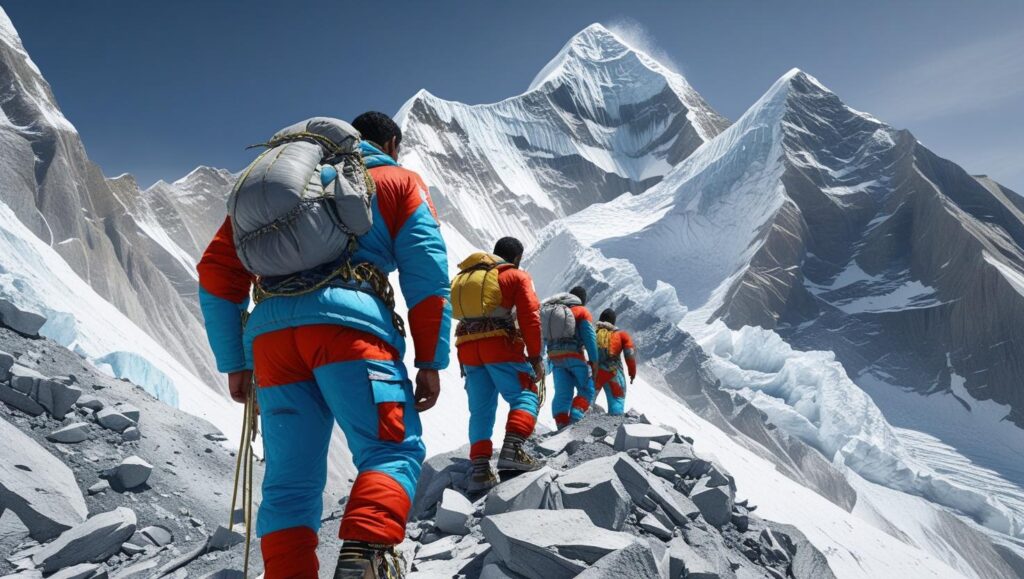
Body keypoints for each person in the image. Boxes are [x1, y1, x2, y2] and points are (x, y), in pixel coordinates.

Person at [198, 111, 450, 579]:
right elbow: (428, 277)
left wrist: (236, 363)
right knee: (391, 450)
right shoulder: (397, 181)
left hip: (272, 345)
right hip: (350, 333)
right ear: (391, 144)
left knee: (289, 483)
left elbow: (215, 275)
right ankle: (363, 557)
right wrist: (431, 360)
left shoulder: (284, 193)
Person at [452, 237, 545, 492]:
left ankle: (480, 470)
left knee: (480, 409)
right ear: (516, 258)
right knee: (525, 394)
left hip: (467, 349)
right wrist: (536, 357)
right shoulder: (515, 276)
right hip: (500, 345)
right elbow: (530, 317)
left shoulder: (471, 276)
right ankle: (513, 450)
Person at [544, 286, 599, 429]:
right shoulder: (581, 311)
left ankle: (561, 425)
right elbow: (589, 337)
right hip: (574, 356)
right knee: (587, 389)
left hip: (555, 359)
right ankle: (575, 420)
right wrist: (594, 361)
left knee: (562, 393)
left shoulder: (553, 313)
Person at [594, 308, 637, 415]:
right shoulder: (622, 335)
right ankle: (613, 426)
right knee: (617, 399)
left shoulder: (592, 332)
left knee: (587, 399)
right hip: (614, 373)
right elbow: (629, 355)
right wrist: (632, 373)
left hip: (595, 372)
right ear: (613, 322)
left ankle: (576, 425)